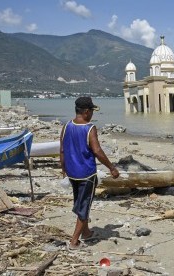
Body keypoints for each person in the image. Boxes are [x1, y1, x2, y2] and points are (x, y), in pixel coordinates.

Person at [60, 96, 119, 250]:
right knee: (84, 206)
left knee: (80, 203)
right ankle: (74, 242)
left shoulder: (66, 126)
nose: (92, 113)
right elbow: (97, 151)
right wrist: (112, 168)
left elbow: (62, 150)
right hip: (86, 174)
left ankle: (86, 232)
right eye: (92, 110)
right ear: (86, 111)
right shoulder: (89, 128)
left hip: (72, 173)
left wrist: (64, 169)